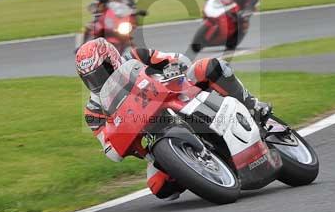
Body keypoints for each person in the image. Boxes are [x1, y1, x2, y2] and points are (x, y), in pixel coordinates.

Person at [76, 38, 271, 200]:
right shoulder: (93, 111)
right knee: (160, 189)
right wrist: (115, 142)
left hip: (180, 95)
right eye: (91, 79)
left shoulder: (136, 56)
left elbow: (176, 59)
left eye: (102, 72)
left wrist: (173, 67)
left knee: (210, 67)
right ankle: (199, 168)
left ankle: (253, 106)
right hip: (153, 131)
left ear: (112, 60)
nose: (99, 81)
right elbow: (109, 148)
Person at [81, 0, 145, 44]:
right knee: (89, 27)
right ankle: (81, 47)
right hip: (103, 20)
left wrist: (138, 12)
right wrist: (100, 2)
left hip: (119, 22)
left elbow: (133, 9)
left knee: (130, 38)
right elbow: (93, 5)